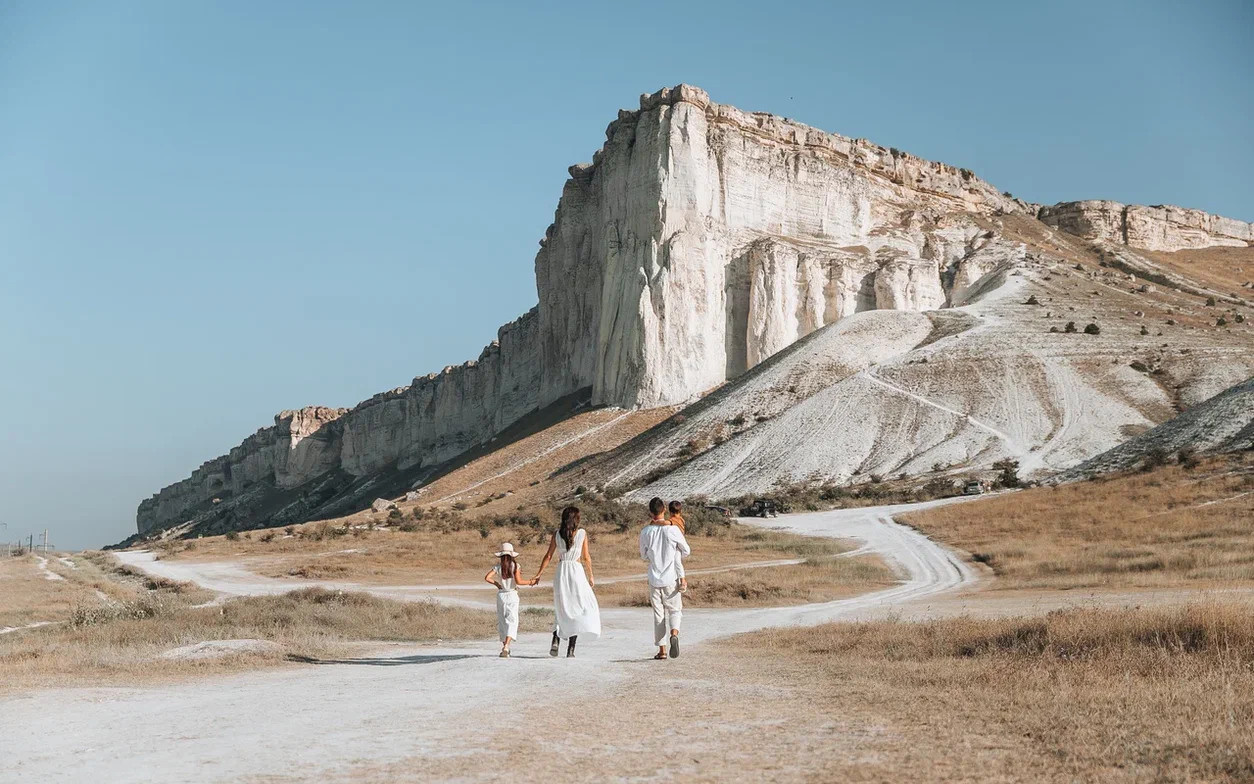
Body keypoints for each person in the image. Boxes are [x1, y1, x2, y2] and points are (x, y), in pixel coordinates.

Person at [531, 505, 601, 657]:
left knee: (562, 606)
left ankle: (556, 638)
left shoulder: (557, 534)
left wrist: (539, 574)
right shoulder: (582, 533)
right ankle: (571, 649)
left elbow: (548, 556)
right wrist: (591, 575)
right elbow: (586, 557)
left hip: (561, 571)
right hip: (576, 572)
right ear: (576, 519)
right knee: (578, 608)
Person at [639, 496, 690, 660]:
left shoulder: (645, 532)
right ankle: (674, 634)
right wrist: (675, 553)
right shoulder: (672, 530)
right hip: (671, 577)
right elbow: (686, 550)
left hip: (654, 578)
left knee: (658, 614)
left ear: (650, 512)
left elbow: (643, 555)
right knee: (675, 610)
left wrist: (652, 555)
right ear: (665, 510)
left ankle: (662, 650)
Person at [483, 542, 537, 658]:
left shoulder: (498, 567)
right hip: (512, 594)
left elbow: (487, 578)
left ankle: (505, 647)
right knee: (512, 620)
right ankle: (507, 646)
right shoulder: (515, 566)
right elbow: (519, 582)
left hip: (501, 595)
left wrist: (497, 584)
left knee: (502, 621)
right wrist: (531, 582)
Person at [667, 500, 688, 593]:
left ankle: (683, 581)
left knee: (677, 561)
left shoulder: (671, 521)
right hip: (678, 542)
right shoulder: (682, 519)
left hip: (677, 543)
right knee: (676, 561)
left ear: (670, 512)